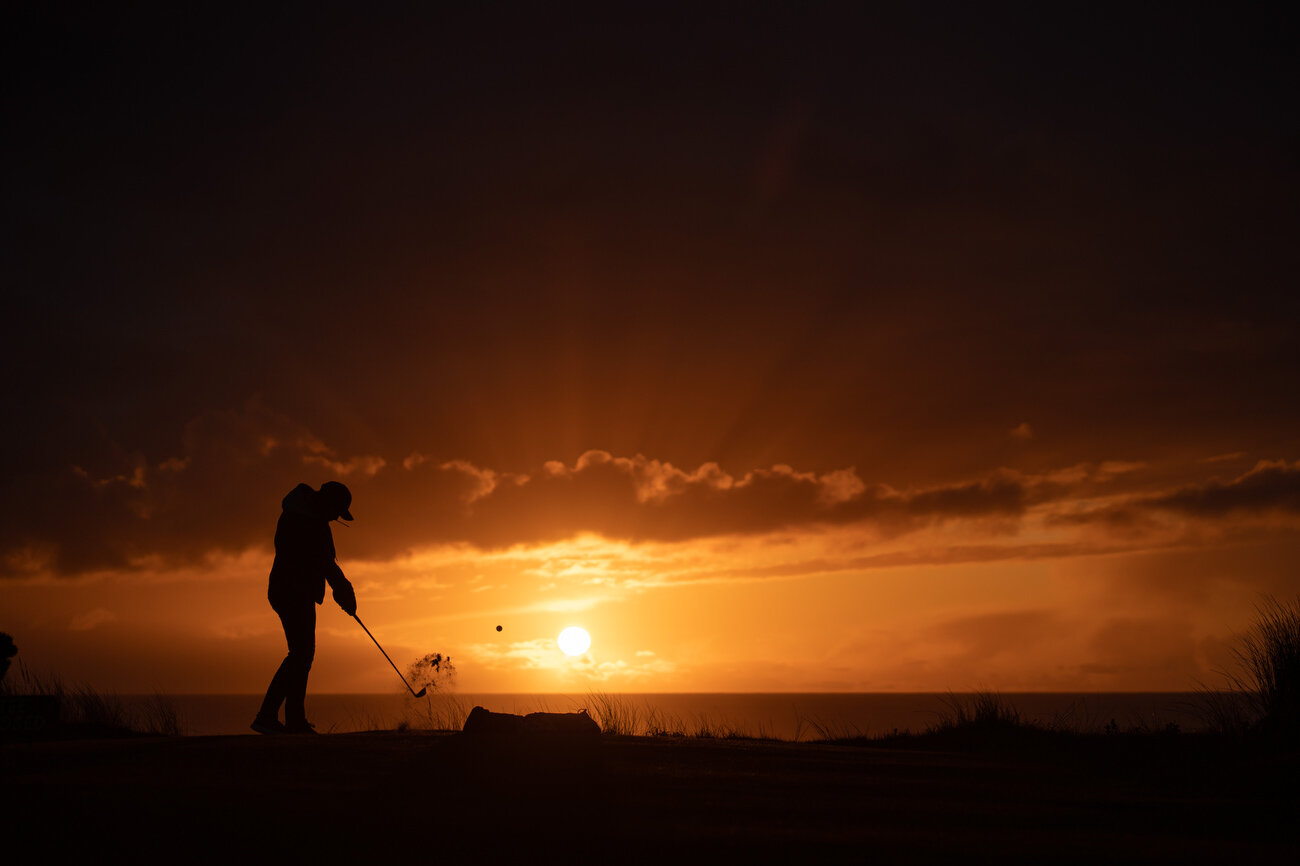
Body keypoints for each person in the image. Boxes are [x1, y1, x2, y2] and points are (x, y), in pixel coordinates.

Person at [252, 481, 358, 734]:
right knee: (301, 654)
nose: (335, 518)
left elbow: (323, 562)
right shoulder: (307, 522)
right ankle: (268, 716)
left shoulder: (303, 517)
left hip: (291, 591)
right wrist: (343, 589)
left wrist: (341, 588)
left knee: (302, 654)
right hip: (292, 591)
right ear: (328, 504)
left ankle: (294, 720)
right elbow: (323, 562)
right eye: (336, 511)